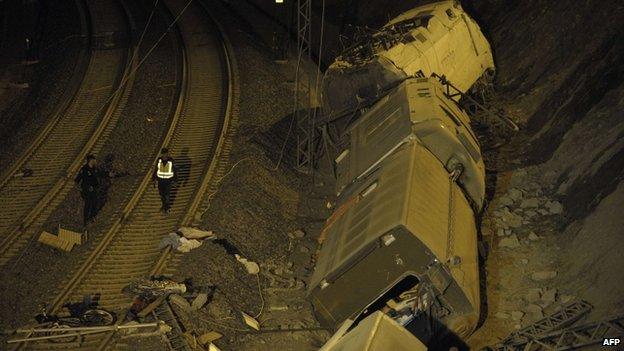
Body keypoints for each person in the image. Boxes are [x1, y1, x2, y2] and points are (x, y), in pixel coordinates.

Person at [75, 155, 100, 226]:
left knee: (95, 203)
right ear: (91, 160)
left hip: (94, 189)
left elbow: (99, 175)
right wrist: (81, 189)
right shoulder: (84, 169)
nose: (95, 161)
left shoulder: (95, 169)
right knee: (88, 204)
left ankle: (92, 217)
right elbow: (77, 180)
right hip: (87, 190)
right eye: (94, 160)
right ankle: (86, 220)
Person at [153, 148, 176, 213]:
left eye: (165, 153)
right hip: (160, 181)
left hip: (168, 181)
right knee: (161, 194)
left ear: (167, 153)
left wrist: (175, 180)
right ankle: (163, 205)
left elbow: (174, 170)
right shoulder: (159, 160)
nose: (164, 155)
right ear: (162, 154)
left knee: (167, 194)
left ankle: (166, 207)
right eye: (163, 153)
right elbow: (156, 169)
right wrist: (154, 179)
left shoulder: (171, 161)